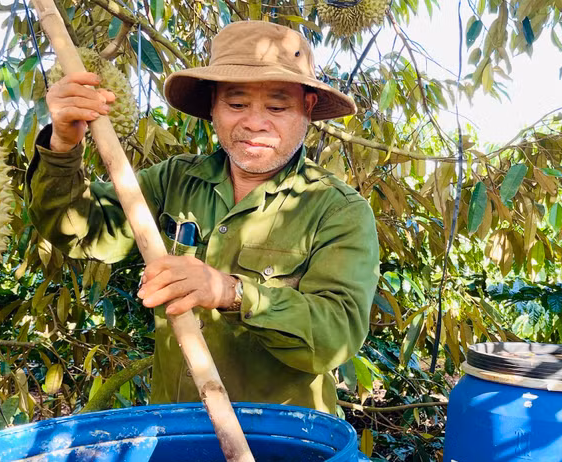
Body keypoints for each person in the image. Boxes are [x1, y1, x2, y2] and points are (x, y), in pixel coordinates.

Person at [27, 21, 379, 413]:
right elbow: (82, 231)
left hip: (285, 439)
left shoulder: (337, 210)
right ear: (213, 105)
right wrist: (62, 143)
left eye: (277, 107)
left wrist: (232, 292)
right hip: (179, 426)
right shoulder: (174, 179)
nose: (255, 122)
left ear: (307, 108)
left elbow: (336, 334)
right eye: (237, 104)